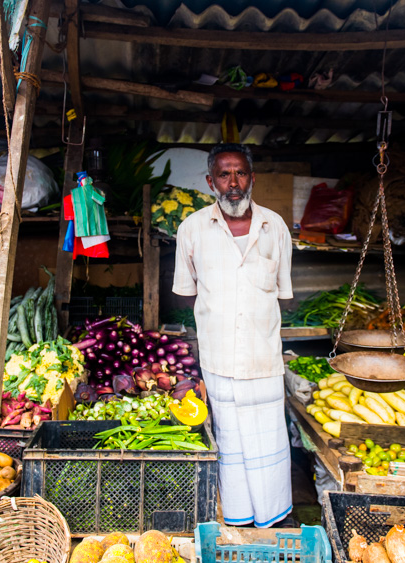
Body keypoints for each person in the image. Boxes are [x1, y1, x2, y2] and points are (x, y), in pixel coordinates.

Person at [172, 143, 294, 528]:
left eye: (240, 173)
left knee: (269, 443)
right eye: (224, 175)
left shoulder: (274, 226)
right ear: (211, 181)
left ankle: (273, 516)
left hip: (263, 359)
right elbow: (186, 293)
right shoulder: (192, 229)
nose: (233, 183)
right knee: (231, 442)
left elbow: (283, 295)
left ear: (252, 177)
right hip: (219, 357)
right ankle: (238, 517)